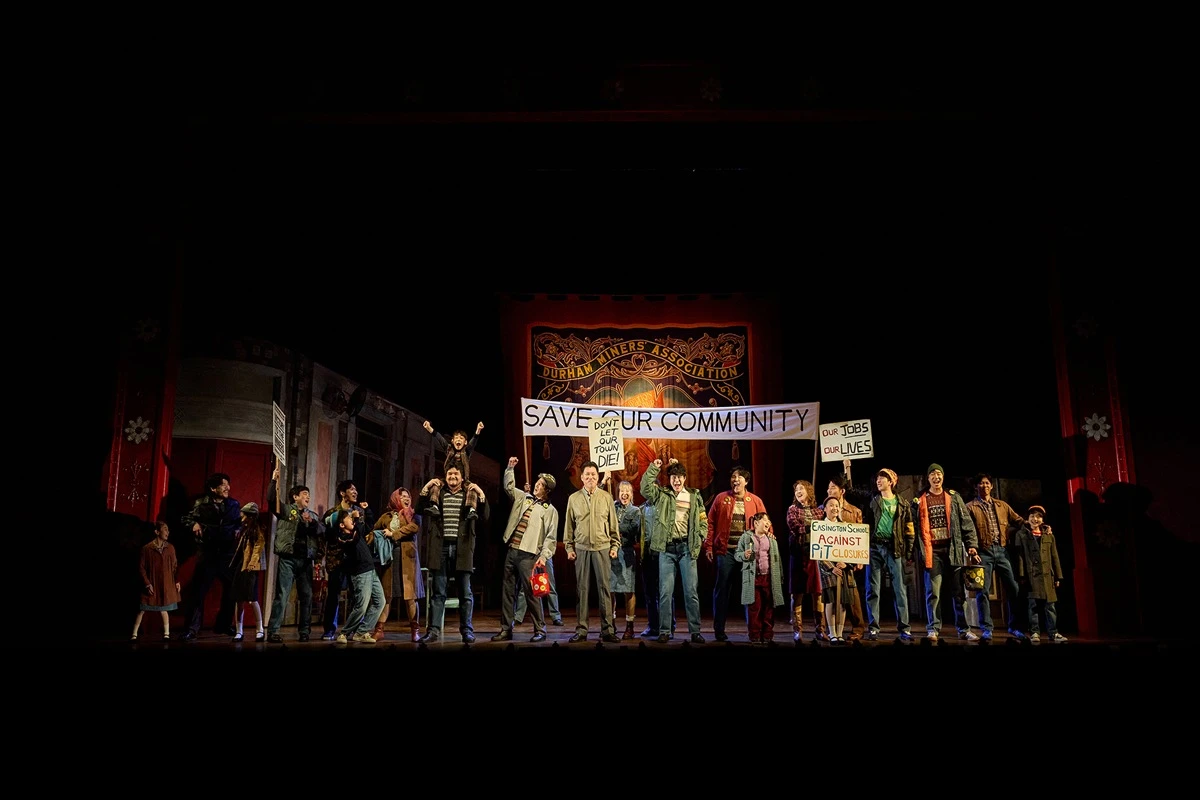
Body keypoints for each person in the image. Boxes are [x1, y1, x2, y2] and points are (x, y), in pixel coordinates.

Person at [416, 465, 489, 644]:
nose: (453, 476)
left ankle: (467, 630)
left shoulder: (469, 495)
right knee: (438, 592)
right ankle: (433, 631)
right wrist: (426, 487)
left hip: (462, 548)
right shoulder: (438, 493)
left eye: (456, 473)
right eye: (449, 473)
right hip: (440, 547)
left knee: (465, 593)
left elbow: (485, 516)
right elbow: (418, 509)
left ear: (462, 478)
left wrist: (481, 493)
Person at [640, 457, 709, 644]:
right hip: (667, 550)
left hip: (687, 548)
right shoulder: (662, 494)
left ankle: (695, 631)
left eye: (679, 477)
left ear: (685, 478)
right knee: (665, 592)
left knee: (691, 592)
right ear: (669, 479)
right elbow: (645, 488)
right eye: (673, 477)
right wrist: (654, 468)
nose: (676, 480)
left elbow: (703, 519)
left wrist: (701, 535)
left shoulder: (694, 496)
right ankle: (664, 631)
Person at [492, 458, 559, 643]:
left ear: (547, 490)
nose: (537, 485)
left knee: (532, 593)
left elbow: (551, 537)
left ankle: (540, 629)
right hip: (512, 550)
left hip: (529, 554)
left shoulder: (550, 510)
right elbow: (509, 488)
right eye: (538, 482)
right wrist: (510, 468)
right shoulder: (524, 498)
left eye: (541, 485)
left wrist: (544, 556)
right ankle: (506, 629)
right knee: (507, 591)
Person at [912, 463, 980, 642]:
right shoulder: (920, 500)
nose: (936, 477)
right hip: (932, 551)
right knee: (933, 592)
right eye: (932, 474)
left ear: (943, 477)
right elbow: (913, 528)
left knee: (958, 592)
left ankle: (963, 629)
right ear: (928, 478)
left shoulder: (953, 497)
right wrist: (913, 552)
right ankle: (933, 628)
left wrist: (971, 544)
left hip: (953, 549)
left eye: (939, 474)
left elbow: (966, 522)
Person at [705, 466, 769, 642]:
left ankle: (753, 632)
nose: (735, 480)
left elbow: (766, 524)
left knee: (749, 592)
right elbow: (710, 523)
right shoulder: (721, 498)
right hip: (725, 552)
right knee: (722, 590)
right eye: (733, 477)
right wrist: (709, 547)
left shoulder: (755, 501)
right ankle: (719, 630)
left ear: (746, 481)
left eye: (739, 477)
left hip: (748, 553)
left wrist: (767, 544)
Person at [964, 473, 1029, 640]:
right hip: (983, 553)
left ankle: (1014, 626)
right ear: (976, 487)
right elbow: (966, 530)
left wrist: (1035, 526)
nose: (984, 486)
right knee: (982, 591)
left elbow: (1018, 521)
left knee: (1013, 589)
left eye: (987, 483)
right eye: (981, 483)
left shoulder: (1002, 505)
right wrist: (972, 548)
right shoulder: (970, 507)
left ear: (991, 486)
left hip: (1002, 551)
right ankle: (987, 628)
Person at [564, 460, 621, 643]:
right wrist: (569, 547)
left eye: (593, 475)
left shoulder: (606, 497)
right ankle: (581, 630)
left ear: (598, 477)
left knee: (605, 590)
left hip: (603, 548)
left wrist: (614, 546)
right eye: (587, 474)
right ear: (581, 477)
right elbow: (569, 526)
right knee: (582, 590)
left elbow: (613, 526)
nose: (590, 477)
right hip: (581, 549)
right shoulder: (573, 499)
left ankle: (607, 630)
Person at [181, 472, 241, 640]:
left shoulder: (234, 504)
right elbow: (185, 518)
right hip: (208, 552)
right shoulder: (200, 503)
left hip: (227, 553)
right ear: (213, 489)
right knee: (198, 592)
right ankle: (192, 629)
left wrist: (238, 530)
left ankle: (224, 624)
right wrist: (193, 524)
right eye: (223, 485)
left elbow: (238, 523)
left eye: (228, 484)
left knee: (231, 590)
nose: (228, 488)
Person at [266, 468, 323, 643]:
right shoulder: (286, 510)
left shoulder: (312, 515)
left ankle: (304, 631)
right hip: (288, 558)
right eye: (304, 494)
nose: (308, 497)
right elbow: (271, 501)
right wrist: (274, 481)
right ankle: (273, 631)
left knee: (306, 596)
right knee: (282, 595)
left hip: (306, 560)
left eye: (309, 494)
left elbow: (321, 531)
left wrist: (311, 523)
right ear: (295, 497)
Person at [863, 468, 915, 641]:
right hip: (875, 547)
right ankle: (873, 628)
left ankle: (905, 628)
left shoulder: (902, 504)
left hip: (894, 548)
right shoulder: (873, 501)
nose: (878, 481)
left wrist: (909, 552)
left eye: (882, 478)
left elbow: (909, 529)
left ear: (891, 482)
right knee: (873, 589)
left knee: (899, 590)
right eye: (877, 478)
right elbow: (866, 524)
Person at [370, 488, 424, 642]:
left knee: (410, 596)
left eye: (408, 496)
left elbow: (413, 528)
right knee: (387, 595)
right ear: (395, 499)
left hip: (408, 559)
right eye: (402, 497)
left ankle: (415, 630)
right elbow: (374, 531)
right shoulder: (386, 516)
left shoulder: (414, 514)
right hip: (390, 558)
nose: (406, 499)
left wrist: (393, 534)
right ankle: (379, 629)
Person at [319, 480, 370, 640]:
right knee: (333, 595)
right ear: (342, 493)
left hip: (355, 561)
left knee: (357, 595)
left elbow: (362, 534)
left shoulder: (359, 512)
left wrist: (359, 519)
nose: (355, 492)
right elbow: (325, 536)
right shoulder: (332, 513)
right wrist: (319, 559)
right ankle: (329, 629)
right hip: (337, 560)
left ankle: (356, 629)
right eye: (351, 489)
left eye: (356, 489)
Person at [1014, 505, 1067, 643]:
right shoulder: (1022, 534)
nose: (1035, 519)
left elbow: (1055, 556)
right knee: (1033, 606)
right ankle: (1035, 632)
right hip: (1032, 575)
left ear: (1043, 519)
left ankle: (1053, 632)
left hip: (1047, 575)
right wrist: (1021, 575)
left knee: (1050, 606)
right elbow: (1020, 556)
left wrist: (1058, 576)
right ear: (1027, 518)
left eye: (1038, 516)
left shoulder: (1049, 535)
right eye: (1032, 516)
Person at [826, 467, 868, 641]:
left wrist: (858, 559)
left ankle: (858, 627)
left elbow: (860, 537)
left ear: (842, 491)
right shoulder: (824, 508)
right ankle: (830, 630)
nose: (829, 491)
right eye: (828, 488)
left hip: (848, 560)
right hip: (830, 560)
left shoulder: (854, 511)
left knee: (851, 593)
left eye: (833, 488)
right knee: (830, 596)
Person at [333, 506, 385, 644]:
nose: (351, 519)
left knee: (380, 601)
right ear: (342, 524)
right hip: (360, 573)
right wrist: (356, 519)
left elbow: (368, 526)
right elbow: (354, 539)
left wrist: (367, 511)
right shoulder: (343, 537)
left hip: (371, 570)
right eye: (348, 518)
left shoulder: (356, 531)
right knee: (361, 606)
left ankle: (361, 632)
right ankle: (344, 633)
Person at [735, 511, 785, 645]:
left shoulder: (771, 540)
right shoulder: (746, 538)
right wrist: (744, 555)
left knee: (769, 607)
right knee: (754, 608)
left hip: (769, 578)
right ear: (756, 523)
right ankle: (755, 635)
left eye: (769, 521)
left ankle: (767, 634)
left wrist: (780, 576)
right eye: (765, 520)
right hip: (753, 578)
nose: (768, 523)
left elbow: (778, 560)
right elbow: (737, 554)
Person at [786, 479, 825, 643]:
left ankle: (820, 629)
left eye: (801, 488)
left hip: (815, 557)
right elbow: (795, 527)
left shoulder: (819, 511)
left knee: (818, 593)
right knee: (797, 593)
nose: (798, 492)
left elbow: (825, 528)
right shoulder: (793, 509)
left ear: (809, 491)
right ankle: (798, 630)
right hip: (799, 555)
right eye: (796, 490)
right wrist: (814, 527)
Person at [423, 420, 485, 519]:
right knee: (436, 484)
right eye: (456, 438)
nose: (458, 440)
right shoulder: (449, 450)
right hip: (449, 479)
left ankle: (471, 510)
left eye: (461, 438)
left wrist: (478, 430)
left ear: (465, 442)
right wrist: (429, 428)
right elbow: (440, 439)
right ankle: (434, 506)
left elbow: (473, 442)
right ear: (452, 441)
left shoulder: (466, 452)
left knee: (472, 488)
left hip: (463, 480)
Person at [818, 497, 857, 644]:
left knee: (842, 602)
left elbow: (853, 548)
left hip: (843, 569)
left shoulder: (844, 526)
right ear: (825, 509)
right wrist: (831, 567)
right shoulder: (820, 527)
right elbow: (818, 551)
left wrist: (846, 563)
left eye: (837, 506)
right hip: (828, 571)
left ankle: (840, 633)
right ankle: (832, 632)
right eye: (831, 505)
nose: (834, 508)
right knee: (831, 601)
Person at [132, 520, 180, 641]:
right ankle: (134, 634)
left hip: (164, 584)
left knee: (164, 609)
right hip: (152, 583)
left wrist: (177, 581)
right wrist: (147, 583)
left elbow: (175, 566)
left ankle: (166, 634)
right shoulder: (147, 548)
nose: (167, 532)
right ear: (157, 532)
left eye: (168, 529)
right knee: (142, 609)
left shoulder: (170, 548)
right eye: (165, 529)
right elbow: (141, 567)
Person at [638, 498, 676, 637]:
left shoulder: (665, 505)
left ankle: (668, 627)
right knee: (649, 593)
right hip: (647, 554)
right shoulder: (642, 509)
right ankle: (653, 626)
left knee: (665, 592)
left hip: (663, 553)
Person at [230, 502, 267, 642]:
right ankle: (239, 630)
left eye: (244, 515)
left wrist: (252, 563)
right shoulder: (244, 528)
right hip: (241, 566)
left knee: (252, 598)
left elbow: (258, 547)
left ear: (250, 516)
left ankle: (260, 629)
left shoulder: (257, 529)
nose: (241, 517)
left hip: (251, 567)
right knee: (238, 599)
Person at [611, 479, 642, 639]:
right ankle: (611, 624)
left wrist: (615, 527)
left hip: (627, 552)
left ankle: (630, 626)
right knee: (610, 590)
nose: (624, 494)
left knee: (628, 590)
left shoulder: (635, 511)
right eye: (621, 491)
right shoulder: (612, 507)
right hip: (611, 552)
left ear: (631, 494)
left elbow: (633, 530)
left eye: (627, 491)